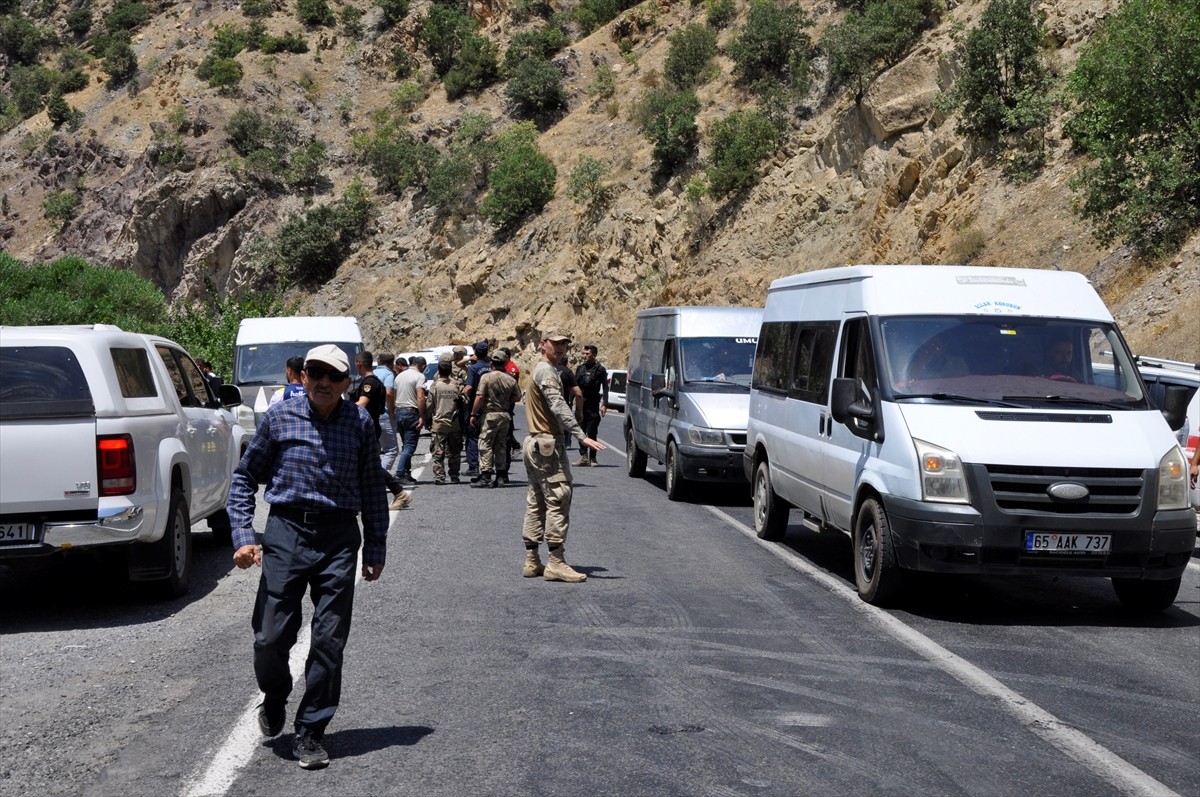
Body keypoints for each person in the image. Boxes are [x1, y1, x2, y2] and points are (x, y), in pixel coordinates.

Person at [227, 344, 388, 771]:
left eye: (333, 376)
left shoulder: (359, 423)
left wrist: (375, 546)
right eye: (315, 373)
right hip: (287, 532)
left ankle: (312, 729)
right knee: (269, 636)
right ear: (302, 377)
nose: (323, 382)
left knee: (329, 640)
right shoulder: (279, 417)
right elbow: (244, 478)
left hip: (338, 537)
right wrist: (243, 535)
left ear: (347, 383)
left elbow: (373, 486)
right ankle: (275, 695)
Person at [521, 329, 605, 582]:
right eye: (555, 343)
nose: (560, 348)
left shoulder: (544, 369)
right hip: (547, 445)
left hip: (535, 442)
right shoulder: (547, 371)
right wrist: (581, 435)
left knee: (536, 500)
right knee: (558, 498)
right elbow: (557, 403)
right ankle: (556, 561)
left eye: (564, 344)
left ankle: (532, 560)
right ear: (542, 344)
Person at [352, 351, 410, 510]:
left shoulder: (370, 382)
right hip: (370, 425)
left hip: (368, 427)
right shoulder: (371, 380)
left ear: (359, 364)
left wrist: (341, 409)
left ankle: (399, 492)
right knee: (366, 464)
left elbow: (362, 404)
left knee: (367, 463)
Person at [471, 350, 521, 488]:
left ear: (491, 362)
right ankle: (500, 475)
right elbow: (517, 397)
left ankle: (486, 475)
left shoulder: (486, 377)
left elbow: (480, 396)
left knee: (485, 444)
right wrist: (505, 401)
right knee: (501, 445)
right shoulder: (510, 378)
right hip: (504, 415)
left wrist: (473, 413)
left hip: (490, 415)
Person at [427, 353, 465, 485]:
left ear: (439, 371)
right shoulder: (456, 385)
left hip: (439, 424)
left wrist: (427, 419)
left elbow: (430, 405)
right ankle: (454, 475)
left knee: (438, 452)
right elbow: (465, 402)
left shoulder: (435, 386)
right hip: (454, 424)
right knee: (455, 452)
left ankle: (439, 476)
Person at [573, 345, 608, 466]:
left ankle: (593, 458)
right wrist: (569, 401)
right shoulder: (580, 369)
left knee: (592, 431)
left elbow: (605, 387)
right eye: (583, 353)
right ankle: (583, 456)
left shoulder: (600, 370)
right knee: (580, 430)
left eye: (587, 354)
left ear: (594, 355)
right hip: (581, 404)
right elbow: (574, 386)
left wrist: (605, 404)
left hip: (593, 404)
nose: (584, 356)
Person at [393, 356, 426, 486]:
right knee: (410, 446)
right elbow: (421, 397)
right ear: (422, 366)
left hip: (399, 410)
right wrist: (422, 416)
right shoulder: (419, 376)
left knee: (405, 444)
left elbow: (394, 394)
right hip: (411, 412)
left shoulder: (399, 376)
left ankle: (406, 472)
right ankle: (400, 473)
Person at [462, 342, 492, 476]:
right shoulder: (491, 367)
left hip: (475, 406)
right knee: (489, 438)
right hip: (490, 407)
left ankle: (473, 466)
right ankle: (488, 465)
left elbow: (468, 387)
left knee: (472, 436)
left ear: (475, 353)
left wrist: (461, 396)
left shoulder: (473, 369)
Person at [373, 351, 400, 476]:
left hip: (372, 415)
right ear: (391, 362)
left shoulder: (372, 373)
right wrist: (392, 411)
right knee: (391, 450)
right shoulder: (389, 374)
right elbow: (389, 393)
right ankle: (381, 476)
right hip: (384, 415)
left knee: (375, 450)